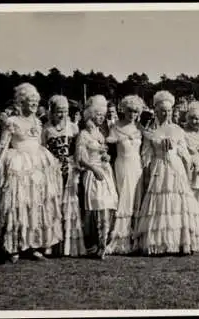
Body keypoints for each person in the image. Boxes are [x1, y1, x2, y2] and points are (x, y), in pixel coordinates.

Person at [133, 91, 199, 256]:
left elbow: (184, 153)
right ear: (155, 110)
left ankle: (180, 241)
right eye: (162, 110)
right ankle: (160, 243)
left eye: (168, 110)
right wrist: (148, 169)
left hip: (175, 168)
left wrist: (190, 165)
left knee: (178, 203)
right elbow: (146, 154)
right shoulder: (150, 131)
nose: (165, 114)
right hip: (159, 168)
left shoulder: (176, 129)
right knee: (160, 204)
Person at [0, 83, 63, 263]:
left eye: (35, 101)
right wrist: (1, 168)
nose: (33, 104)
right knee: (18, 206)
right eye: (29, 101)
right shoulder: (12, 122)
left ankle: (34, 246)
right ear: (21, 102)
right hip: (18, 167)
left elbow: (40, 143)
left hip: (37, 167)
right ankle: (14, 247)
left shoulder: (38, 122)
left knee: (36, 205)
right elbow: (3, 146)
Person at [75, 95, 119, 259]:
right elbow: (80, 159)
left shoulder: (100, 134)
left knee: (108, 206)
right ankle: (95, 243)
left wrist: (106, 158)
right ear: (91, 115)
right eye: (98, 115)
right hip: (93, 174)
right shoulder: (84, 135)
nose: (101, 118)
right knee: (98, 207)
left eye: (103, 115)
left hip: (105, 173)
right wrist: (93, 168)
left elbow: (103, 152)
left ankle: (103, 244)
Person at [42, 95, 86, 257]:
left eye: (65, 111)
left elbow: (78, 150)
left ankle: (69, 245)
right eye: (58, 111)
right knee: (53, 205)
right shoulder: (46, 129)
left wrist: (75, 165)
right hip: (52, 170)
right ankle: (52, 243)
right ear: (52, 112)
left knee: (70, 205)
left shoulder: (73, 128)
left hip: (71, 169)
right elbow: (42, 151)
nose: (62, 115)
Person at [105, 95, 145, 255]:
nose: (132, 114)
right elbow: (107, 145)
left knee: (137, 199)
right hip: (122, 165)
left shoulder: (140, 128)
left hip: (137, 166)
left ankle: (134, 238)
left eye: (135, 111)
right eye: (130, 111)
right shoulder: (115, 127)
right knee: (124, 199)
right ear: (124, 110)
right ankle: (120, 238)